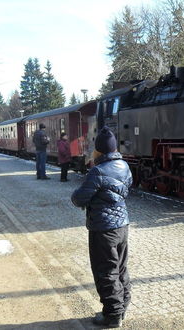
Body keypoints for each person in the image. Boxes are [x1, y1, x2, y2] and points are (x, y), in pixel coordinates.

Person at [71, 126, 132, 328]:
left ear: (98, 150)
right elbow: (127, 187)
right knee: (120, 267)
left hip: (103, 228)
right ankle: (122, 306)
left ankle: (112, 316)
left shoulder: (97, 171)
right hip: (122, 225)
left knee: (106, 270)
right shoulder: (124, 165)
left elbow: (79, 198)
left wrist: (77, 196)